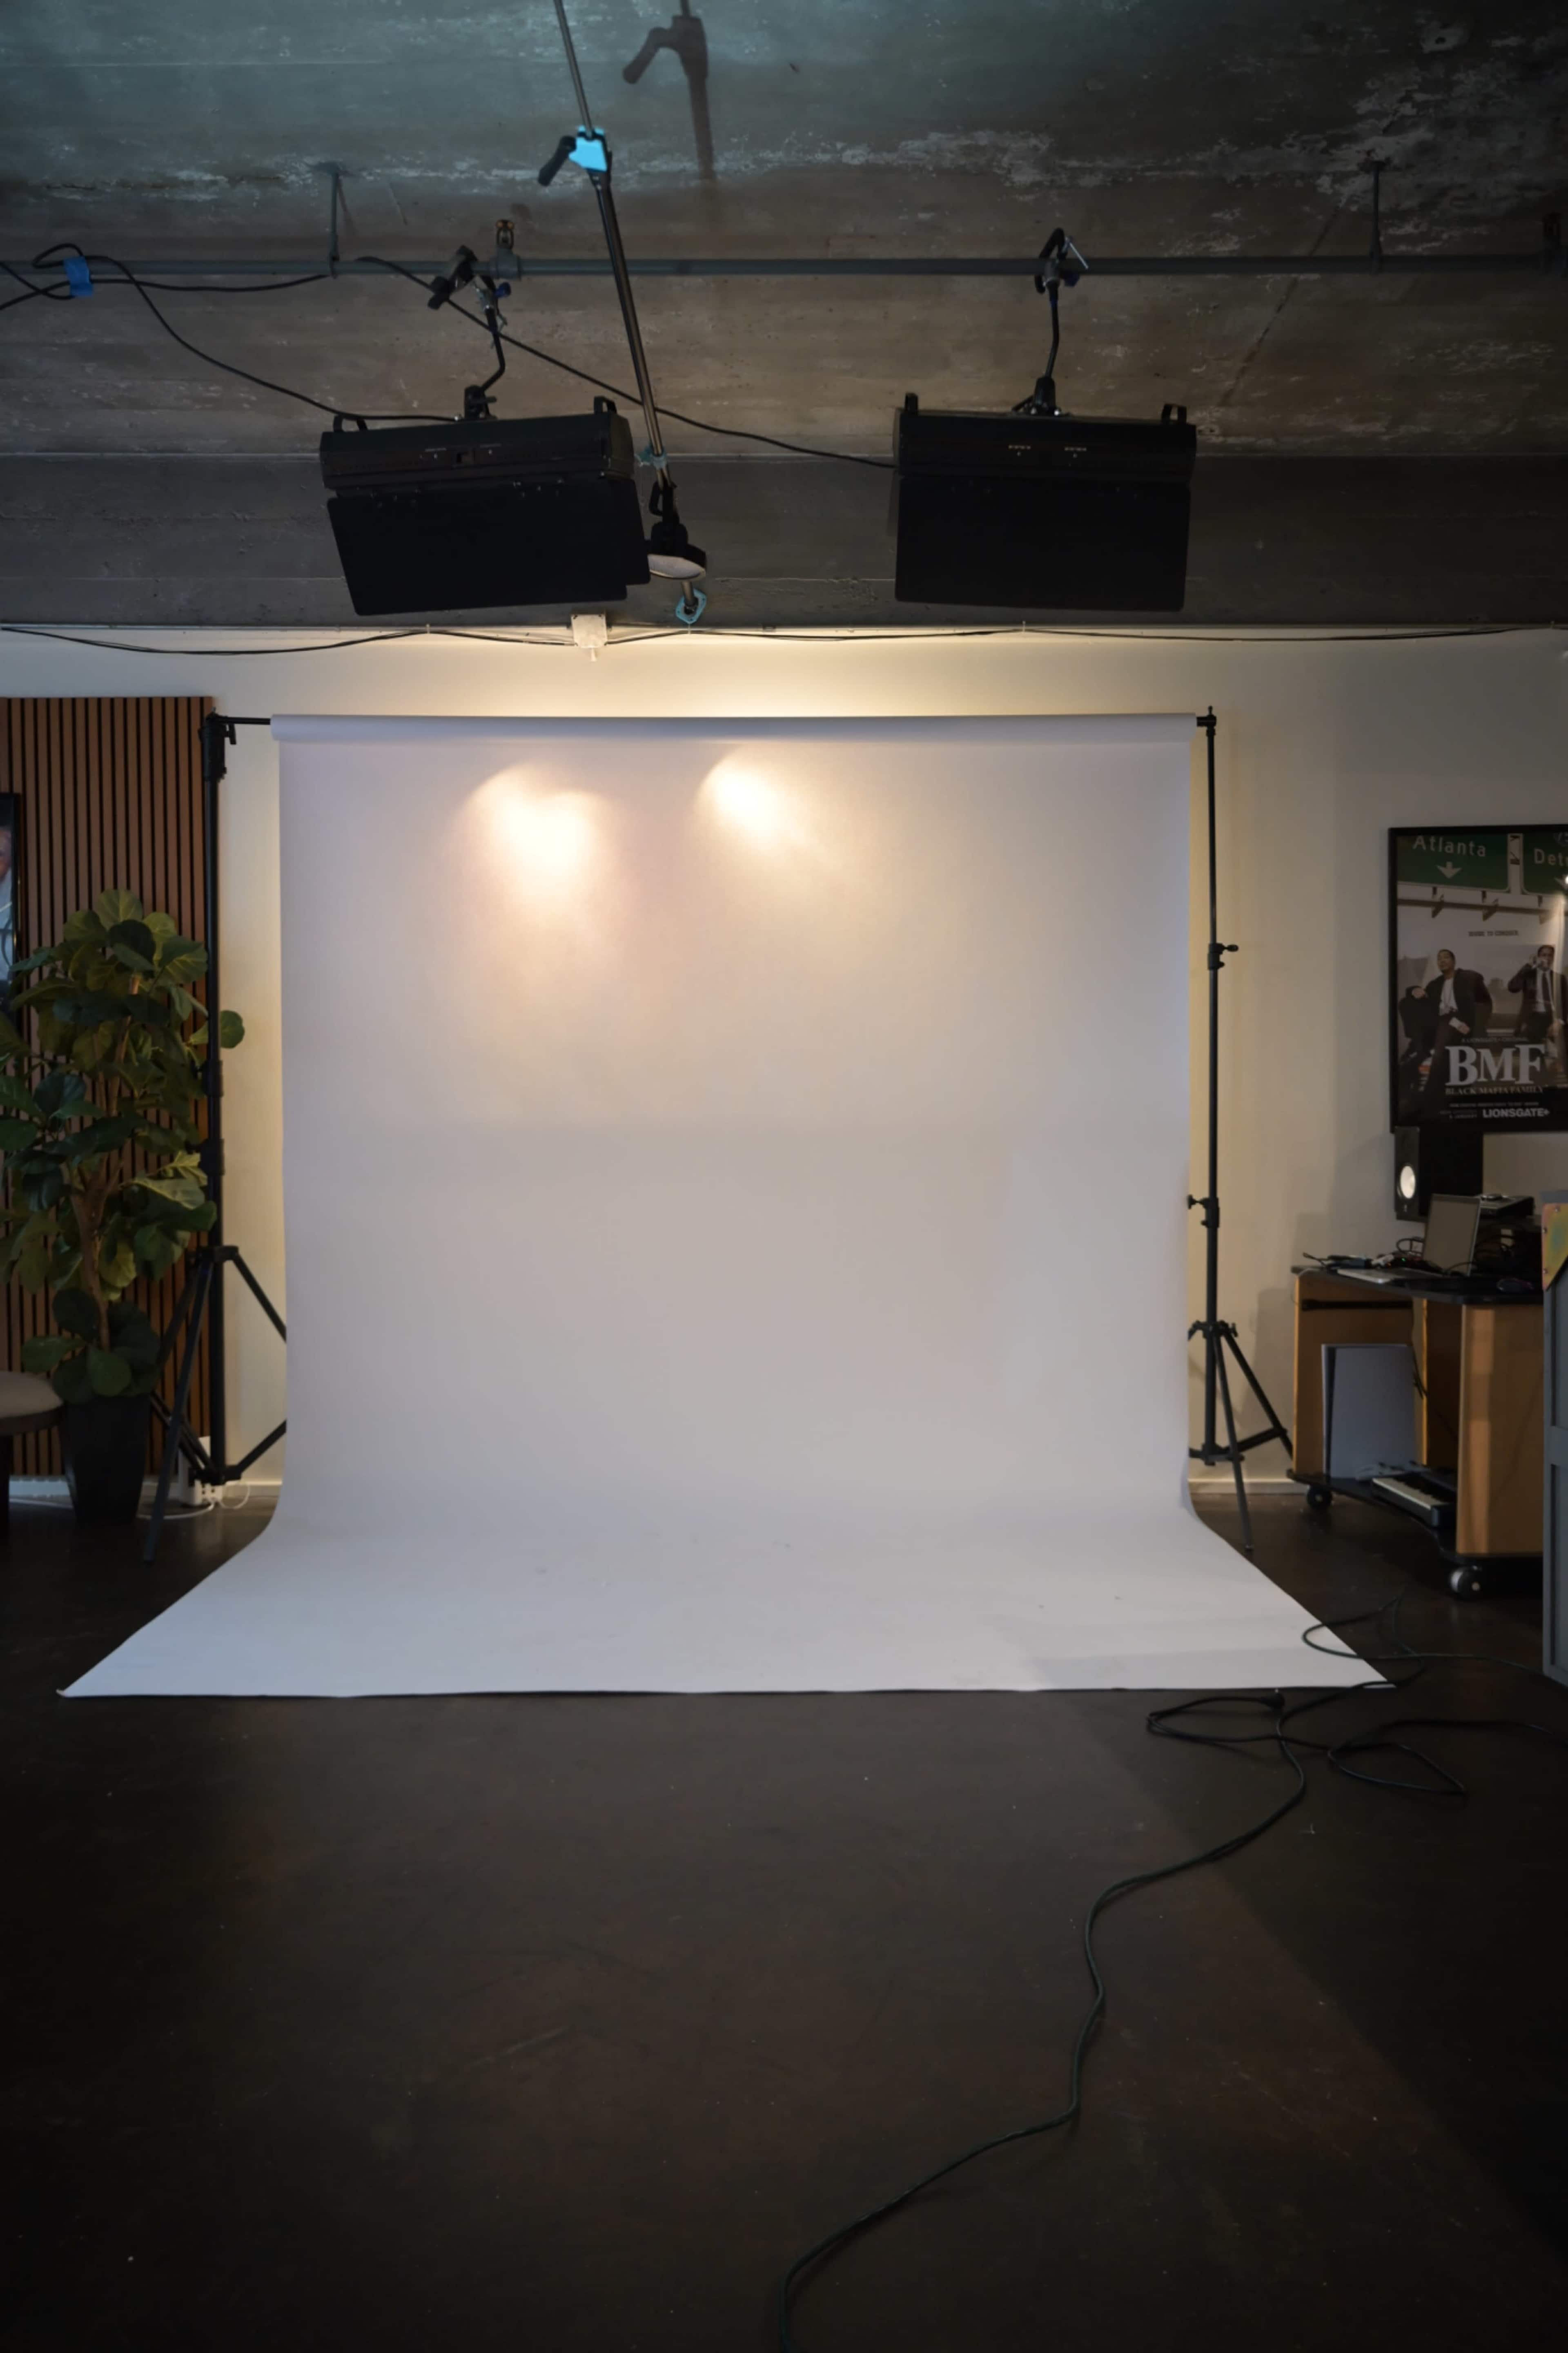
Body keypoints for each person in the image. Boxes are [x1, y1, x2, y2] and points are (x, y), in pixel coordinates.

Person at [1421, 948, 1483, 1111]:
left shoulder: (1467, 978)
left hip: (1465, 1023)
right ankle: (1433, 1099)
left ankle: (1458, 1099)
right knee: (1442, 1056)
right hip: (1446, 1023)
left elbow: (1483, 1003)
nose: (1442, 961)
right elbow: (1425, 1003)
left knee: (1461, 1061)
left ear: (1454, 961)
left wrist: (1473, 1024)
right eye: (1439, 958)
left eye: (1446, 957)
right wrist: (1414, 990)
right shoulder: (1435, 985)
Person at [1508, 941, 1567, 1081]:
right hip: (1534, 1018)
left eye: (1550, 956)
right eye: (1544, 955)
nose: (1547, 958)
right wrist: (1528, 966)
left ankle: (1561, 1075)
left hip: (1554, 1018)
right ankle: (1542, 1080)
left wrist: (1560, 1021)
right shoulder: (1529, 975)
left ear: (1553, 959)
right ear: (1538, 957)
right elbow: (1513, 988)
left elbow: (1565, 1003)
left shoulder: (1560, 978)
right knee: (1534, 1050)